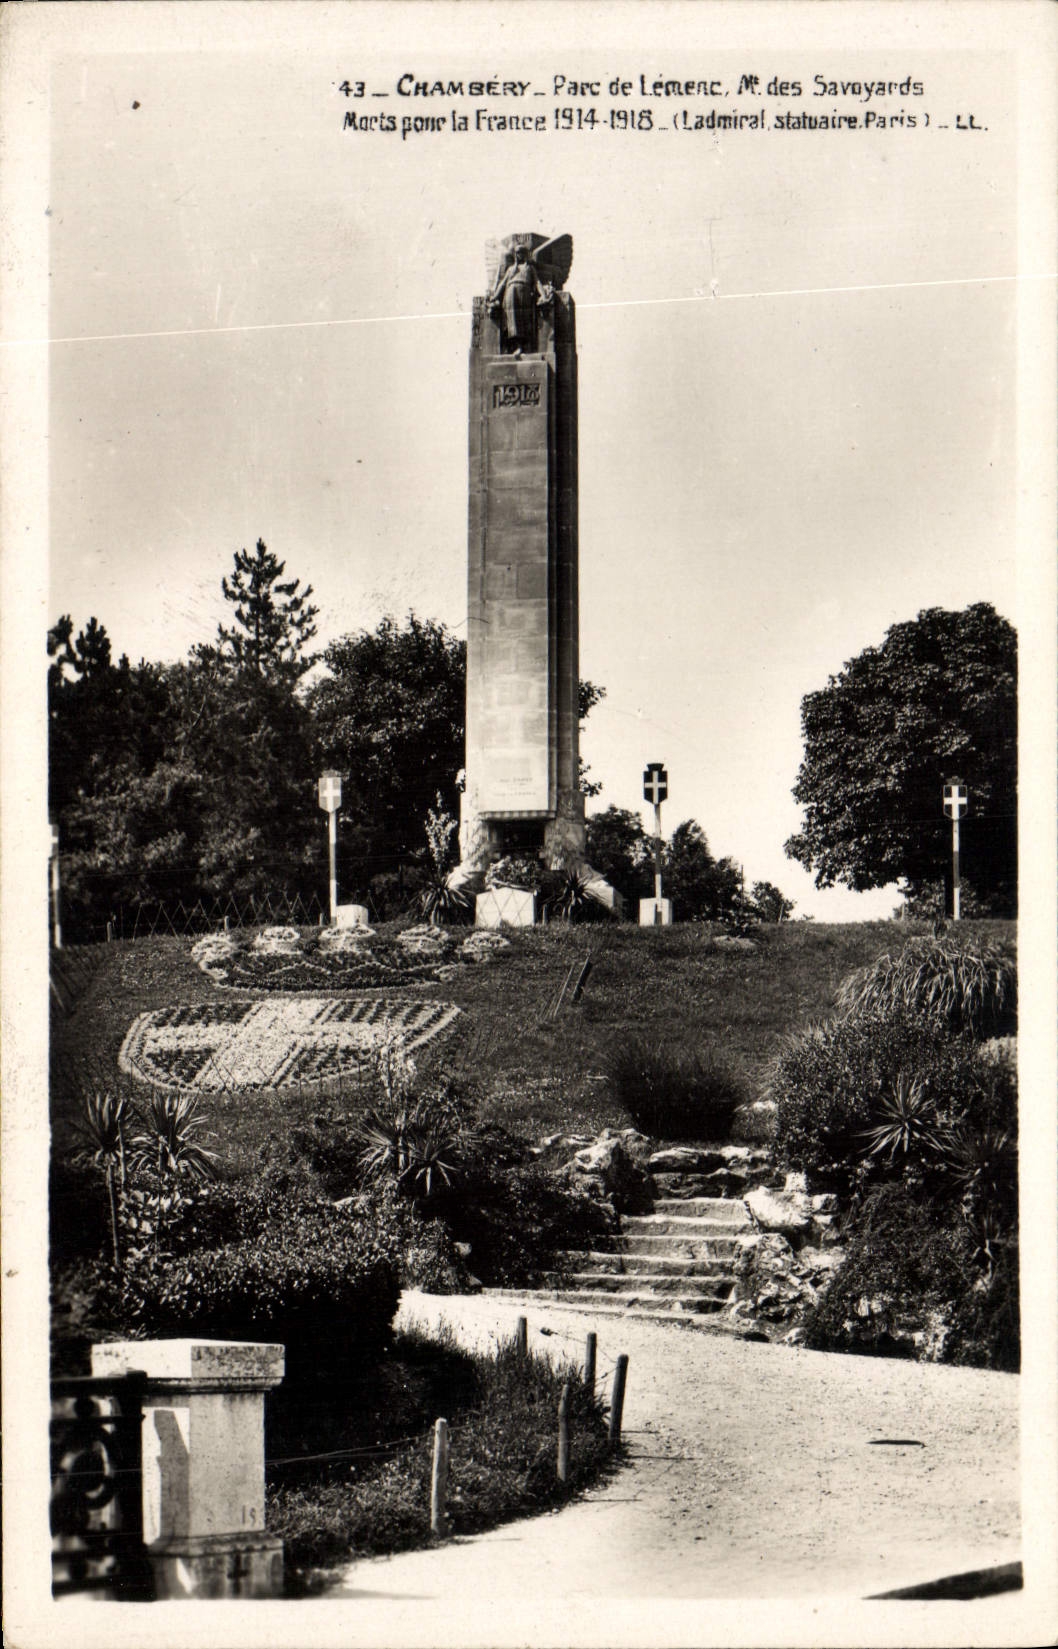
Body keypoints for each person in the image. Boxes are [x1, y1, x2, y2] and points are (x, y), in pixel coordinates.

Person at [489, 244, 546, 351]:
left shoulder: (530, 268)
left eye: (522, 252)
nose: (520, 254)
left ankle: (523, 346)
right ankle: (515, 345)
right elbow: (503, 283)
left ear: (526, 254)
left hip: (524, 292)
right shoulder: (510, 269)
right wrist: (495, 296)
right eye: (518, 252)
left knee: (523, 318)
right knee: (512, 319)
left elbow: (537, 282)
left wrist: (543, 294)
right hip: (510, 293)